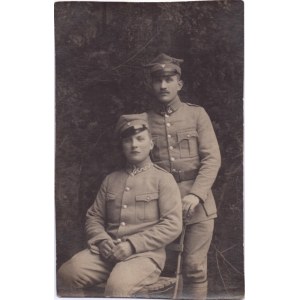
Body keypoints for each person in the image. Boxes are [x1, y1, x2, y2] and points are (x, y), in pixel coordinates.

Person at [57, 113, 182, 297]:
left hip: (144, 256)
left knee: (117, 287)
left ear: (151, 144)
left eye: (140, 139)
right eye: (128, 141)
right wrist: (101, 240)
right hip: (106, 254)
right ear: (122, 146)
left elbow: (172, 224)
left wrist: (131, 245)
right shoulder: (111, 180)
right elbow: (94, 217)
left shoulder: (163, 179)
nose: (134, 145)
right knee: (66, 273)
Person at [144, 53, 221, 300]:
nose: (163, 85)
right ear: (151, 84)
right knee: (162, 272)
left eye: (169, 79)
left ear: (180, 83)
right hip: (160, 209)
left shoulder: (197, 115)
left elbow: (212, 159)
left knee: (194, 268)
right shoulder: (143, 121)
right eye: (158, 80)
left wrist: (196, 195)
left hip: (198, 206)